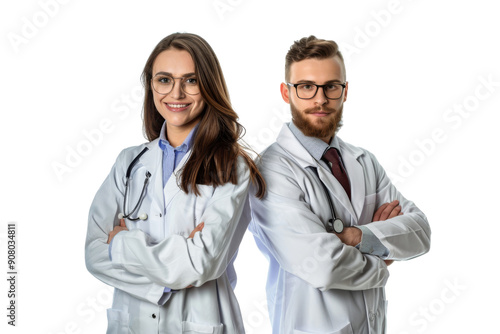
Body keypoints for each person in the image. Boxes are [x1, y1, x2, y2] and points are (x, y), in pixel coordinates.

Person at [248, 36, 431, 334]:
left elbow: (420, 232)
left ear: (345, 92)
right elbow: (322, 266)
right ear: (286, 92)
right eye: (306, 87)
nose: (320, 99)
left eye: (331, 86)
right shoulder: (271, 170)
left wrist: (358, 236)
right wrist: (382, 260)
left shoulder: (364, 161)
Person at [85, 32, 265, 334]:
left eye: (191, 81)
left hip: (202, 321)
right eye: (164, 79)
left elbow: (201, 263)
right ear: (151, 85)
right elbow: (93, 253)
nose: (176, 93)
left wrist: (120, 243)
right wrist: (178, 260)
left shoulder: (229, 166)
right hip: (133, 322)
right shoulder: (129, 163)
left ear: (208, 86)